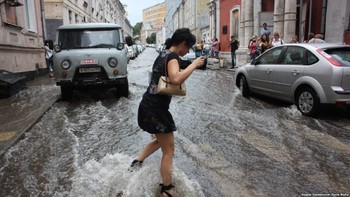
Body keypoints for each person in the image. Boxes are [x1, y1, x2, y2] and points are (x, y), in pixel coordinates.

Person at [130, 28, 205, 197]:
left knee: (160, 140)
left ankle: (136, 162)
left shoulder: (163, 55)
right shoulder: (172, 57)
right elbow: (176, 79)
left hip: (148, 105)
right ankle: (167, 189)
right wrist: (193, 64)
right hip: (156, 109)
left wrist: (187, 64)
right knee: (169, 150)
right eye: (188, 47)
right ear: (183, 43)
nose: (187, 52)